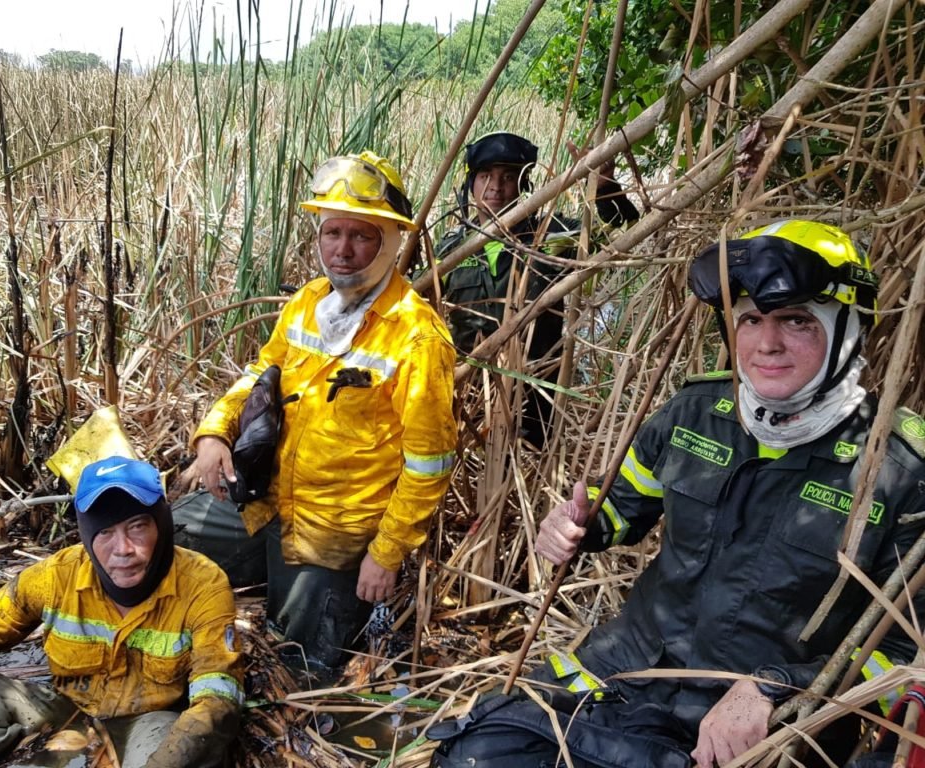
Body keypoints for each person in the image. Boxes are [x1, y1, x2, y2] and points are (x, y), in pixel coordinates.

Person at [428, 220, 925, 767]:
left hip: (750, 729)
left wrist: (781, 689)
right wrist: (581, 523)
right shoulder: (696, 412)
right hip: (623, 672)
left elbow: (907, 657)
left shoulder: (900, 471)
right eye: (751, 320)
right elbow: (621, 507)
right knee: (474, 752)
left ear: (849, 329)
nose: (766, 343)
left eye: (796, 320)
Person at [174, 150, 458, 672]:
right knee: (161, 541)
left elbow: (430, 464)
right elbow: (258, 375)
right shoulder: (307, 303)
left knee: (299, 666)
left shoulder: (417, 337)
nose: (343, 250)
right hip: (266, 502)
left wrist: (386, 554)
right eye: (332, 232)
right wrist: (214, 433)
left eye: (361, 235)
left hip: (334, 534)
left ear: (389, 241)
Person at [0, 456, 246, 768]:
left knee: (190, 753)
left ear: (162, 524)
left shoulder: (203, 585)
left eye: (138, 526)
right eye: (105, 532)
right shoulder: (53, 578)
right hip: (64, 709)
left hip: (150, 721)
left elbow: (217, 701)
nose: (122, 550)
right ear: (85, 534)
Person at [436, 131, 639, 447]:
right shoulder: (449, 250)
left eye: (508, 177)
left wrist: (604, 189)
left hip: (535, 395)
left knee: (528, 471)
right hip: (468, 393)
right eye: (485, 176)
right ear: (470, 185)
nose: (496, 186)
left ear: (524, 185)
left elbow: (624, 239)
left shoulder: (552, 235)